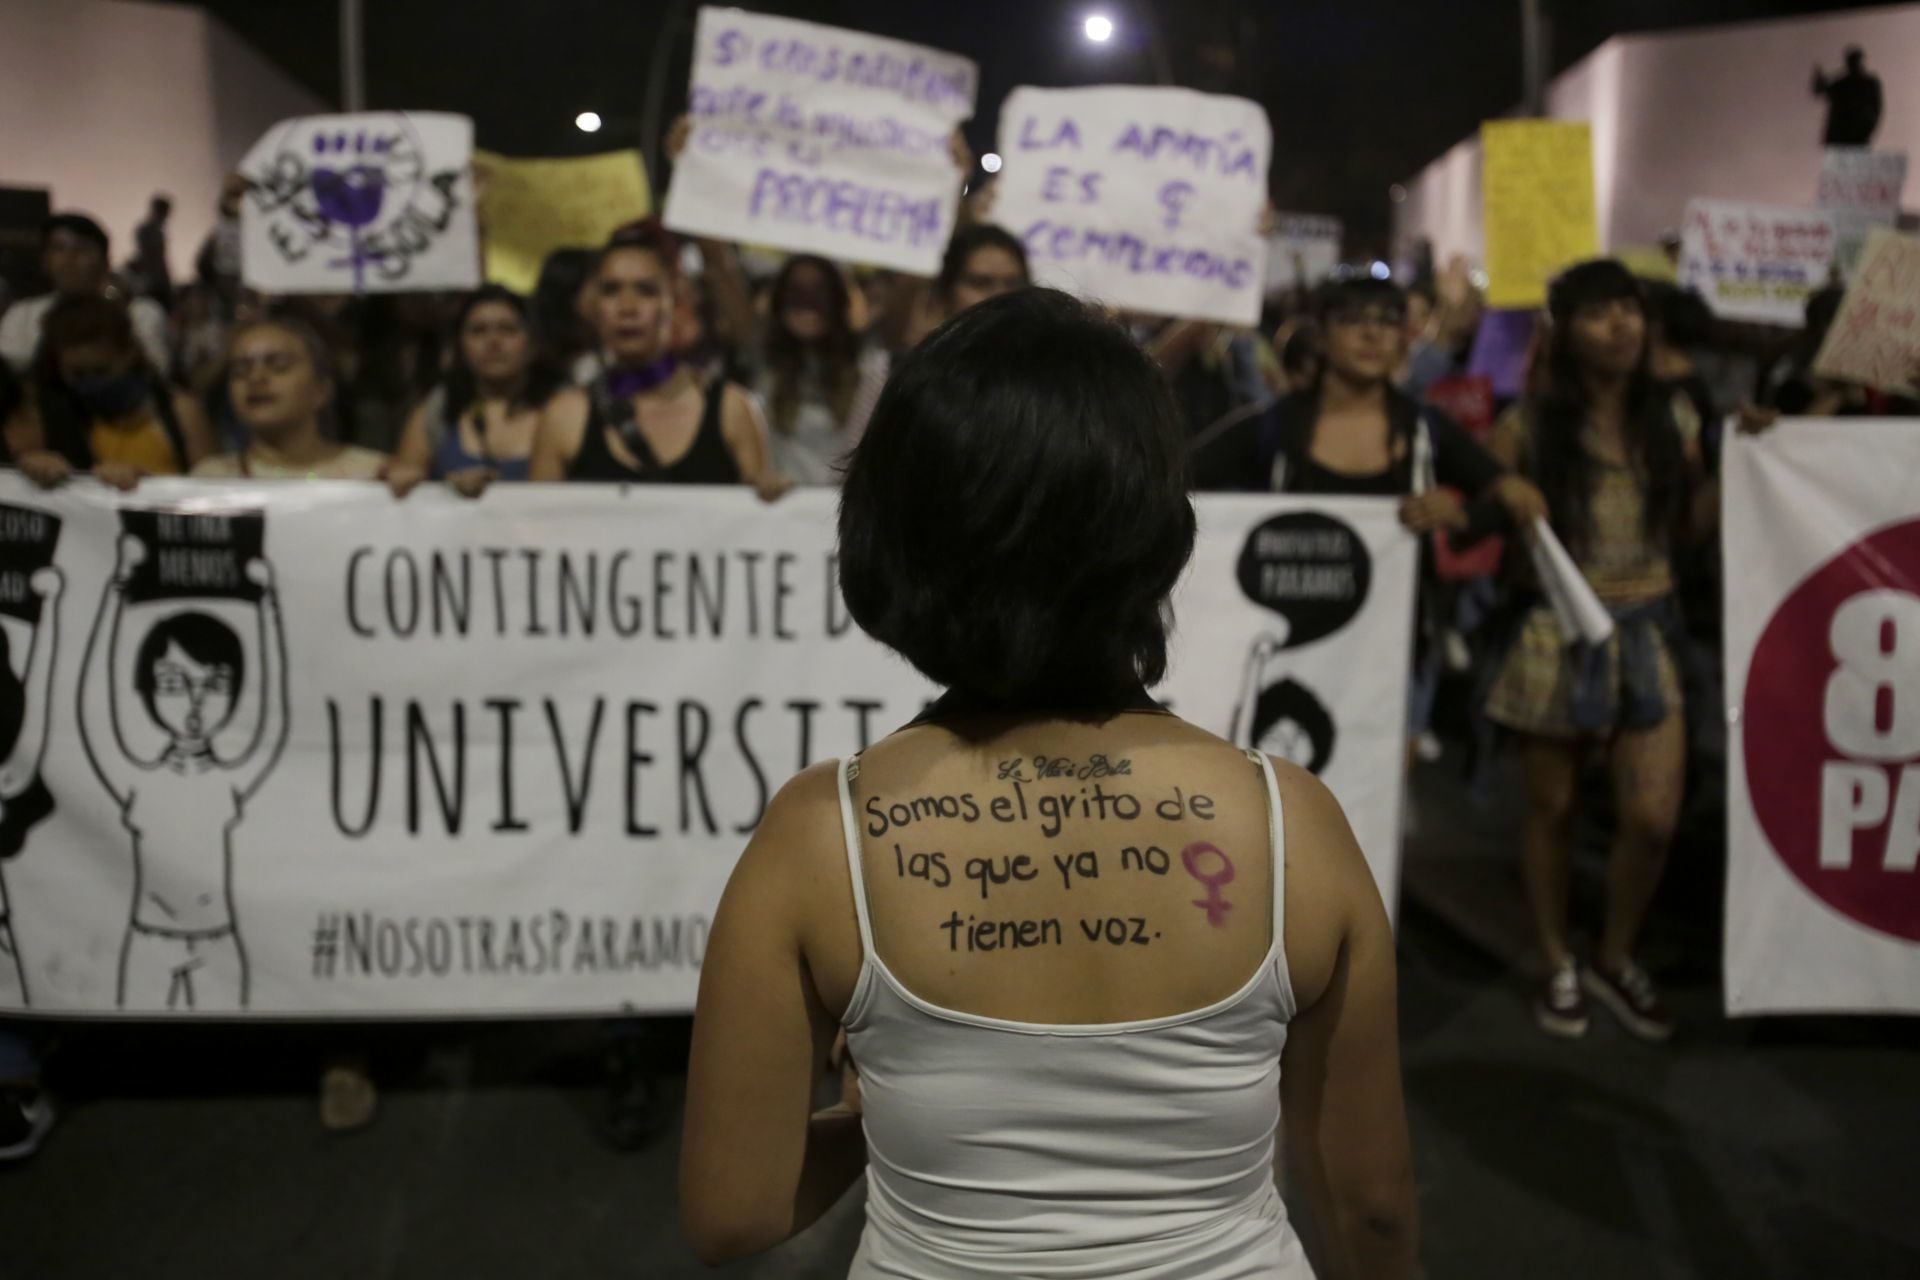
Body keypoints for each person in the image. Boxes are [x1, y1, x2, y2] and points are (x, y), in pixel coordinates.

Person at [680, 289, 1417, 1278]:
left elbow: (733, 1210)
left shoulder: (821, 836)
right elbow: (1368, 1203)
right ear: (1154, 523)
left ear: (894, 530)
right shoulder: (1293, 823)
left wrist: (881, 1114)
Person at [1483, 260, 1715, 1044]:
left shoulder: (1675, 418)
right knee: (1553, 810)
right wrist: (1492, 496)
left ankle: (1615, 955)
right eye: (1598, 313)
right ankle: (1557, 959)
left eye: (1630, 310)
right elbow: (1483, 511)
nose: (1620, 326)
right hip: (1557, 632)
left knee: (1652, 818)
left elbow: (1690, 530)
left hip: (1649, 633)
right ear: (1564, 331)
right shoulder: (1527, 427)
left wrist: (1746, 457)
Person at [531, 221, 786, 498]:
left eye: (646, 290)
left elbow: (760, 526)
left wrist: (777, 499)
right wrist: (478, 507)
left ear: (675, 302)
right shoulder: (563, 418)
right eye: (611, 290)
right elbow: (533, 530)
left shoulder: (733, 411)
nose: (627, 307)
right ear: (593, 307)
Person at [701, 249, 890, 486]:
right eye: (795, 290)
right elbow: (718, 267)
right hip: (781, 515)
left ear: (839, 299)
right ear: (779, 299)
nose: (807, 300)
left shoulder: (867, 365)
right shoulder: (764, 357)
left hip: (846, 511)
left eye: (820, 289)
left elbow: (909, 290)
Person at [5, 295, 214, 491]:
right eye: (78, 374)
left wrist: (146, 487)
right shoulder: (53, 416)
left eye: (100, 371)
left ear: (129, 353)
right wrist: (36, 466)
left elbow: (209, 490)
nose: (90, 383)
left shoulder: (179, 411)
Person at [387, 286, 562, 497]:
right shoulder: (436, 410)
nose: (493, 342)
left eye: (508, 329)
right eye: (478, 330)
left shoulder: (562, 410)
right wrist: (446, 490)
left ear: (533, 343)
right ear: (459, 344)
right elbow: (405, 486)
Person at [191, 317, 387, 480]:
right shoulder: (211, 479)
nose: (255, 378)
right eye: (240, 371)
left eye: (279, 365)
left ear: (321, 389)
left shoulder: (374, 474)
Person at [0, 214, 170, 374]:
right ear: (45, 261)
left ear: (105, 261)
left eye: (82, 248)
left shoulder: (141, 312)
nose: (70, 257)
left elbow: (157, 368)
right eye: (59, 248)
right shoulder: (22, 313)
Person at [893, 223, 1032, 349]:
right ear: (945, 293)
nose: (1000, 295)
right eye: (980, 283)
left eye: (1013, 284)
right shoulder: (917, 369)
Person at [1812, 46, 1882, 146]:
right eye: (1852, 61)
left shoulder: (1869, 83)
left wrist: (1868, 128)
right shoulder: (1842, 84)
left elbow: (1877, 109)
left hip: (1858, 135)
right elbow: (1820, 90)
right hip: (1842, 137)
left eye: (1855, 61)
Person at [129, 194, 174, 308]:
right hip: (152, 282)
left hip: (154, 281)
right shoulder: (148, 230)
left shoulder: (153, 231)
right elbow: (151, 256)